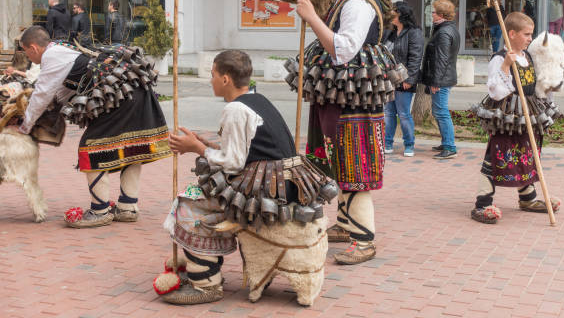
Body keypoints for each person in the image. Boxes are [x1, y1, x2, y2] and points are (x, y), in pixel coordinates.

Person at [162, 50, 332, 304]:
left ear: (226, 79)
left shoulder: (235, 110)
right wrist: (204, 143)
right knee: (200, 195)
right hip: (284, 183)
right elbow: (245, 150)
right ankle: (200, 263)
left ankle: (206, 282)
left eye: (213, 75)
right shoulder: (257, 98)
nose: (211, 80)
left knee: (189, 205)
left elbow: (233, 163)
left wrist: (195, 148)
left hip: (271, 190)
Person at [13, 25, 172, 228]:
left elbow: (42, 95)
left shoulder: (52, 57)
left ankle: (100, 210)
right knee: (129, 146)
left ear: (33, 48)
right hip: (131, 91)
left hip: (121, 95)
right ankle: (127, 207)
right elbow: (60, 92)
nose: (27, 57)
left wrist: (24, 127)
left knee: (91, 148)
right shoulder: (62, 48)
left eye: (25, 51)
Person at [296, 0, 384, 264]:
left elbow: (344, 49)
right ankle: (347, 224)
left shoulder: (358, 2)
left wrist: (312, 18)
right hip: (343, 96)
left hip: (354, 102)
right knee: (342, 160)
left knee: (354, 164)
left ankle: (364, 240)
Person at [471, 12, 561, 223]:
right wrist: (505, 66)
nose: (530, 38)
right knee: (499, 153)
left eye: (531, 34)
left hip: (527, 113)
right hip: (508, 116)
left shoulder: (526, 56)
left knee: (527, 153)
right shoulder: (499, 58)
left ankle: (527, 198)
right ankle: (482, 202)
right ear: (511, 34)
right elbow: (495, 91)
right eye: (526, 34)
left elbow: (534, 84)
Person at [383, 1, 424, 157]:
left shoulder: (414, 32)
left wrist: (409, 79)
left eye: (394, 11)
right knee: (388, 112)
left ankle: (409, 145)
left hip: (404, 79)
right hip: (388, 78)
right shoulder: (390, 32)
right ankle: (387, 143)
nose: (391, 13)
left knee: (404, 113)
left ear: (401, 14)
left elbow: (416, 57)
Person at [421, 0, 460, 159]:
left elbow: (442, 59)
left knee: (441, 112)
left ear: (442, 15)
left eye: (434, 12)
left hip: (441, 79)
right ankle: (446, 143)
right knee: (439, 111)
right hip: (444, 77)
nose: (432, 14)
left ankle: (450, 147)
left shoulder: (444, 32)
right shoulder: (447, 28)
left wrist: (436, 81)